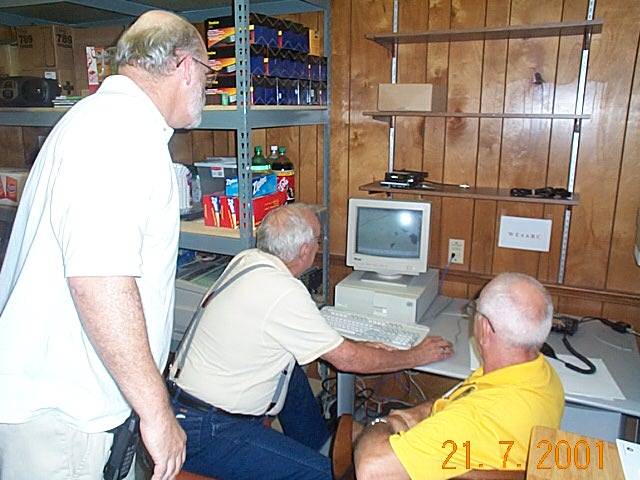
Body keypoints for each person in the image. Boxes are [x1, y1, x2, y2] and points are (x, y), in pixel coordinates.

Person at [0, 10, 212, 480]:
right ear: (184, 65)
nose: (205, 85)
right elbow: (99, 279)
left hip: (66, 409)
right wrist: (157, 412)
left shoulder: (103, 121)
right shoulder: (120, 134)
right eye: (206, 72)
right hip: (65, 417)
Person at [166, 203, 454, 479]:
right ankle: (319, 456)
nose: (319, 245)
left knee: (290, 369)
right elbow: (347, 361)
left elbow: (307, 334)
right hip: (207, 430)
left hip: (183, 406)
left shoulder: (248, 260)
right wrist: (416, 355)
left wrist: (358, 345)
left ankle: (318, 443)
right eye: (318, 240)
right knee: (328, 475)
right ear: (305, 250)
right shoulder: (283, 291)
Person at [353, 272, 565, 480]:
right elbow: (461, 400)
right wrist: (418, 413)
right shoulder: (540, 374)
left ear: (484, 327)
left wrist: (384, 422)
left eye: (475, 310)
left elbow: (372, 470)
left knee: (353, 433)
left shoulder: (474, 418)